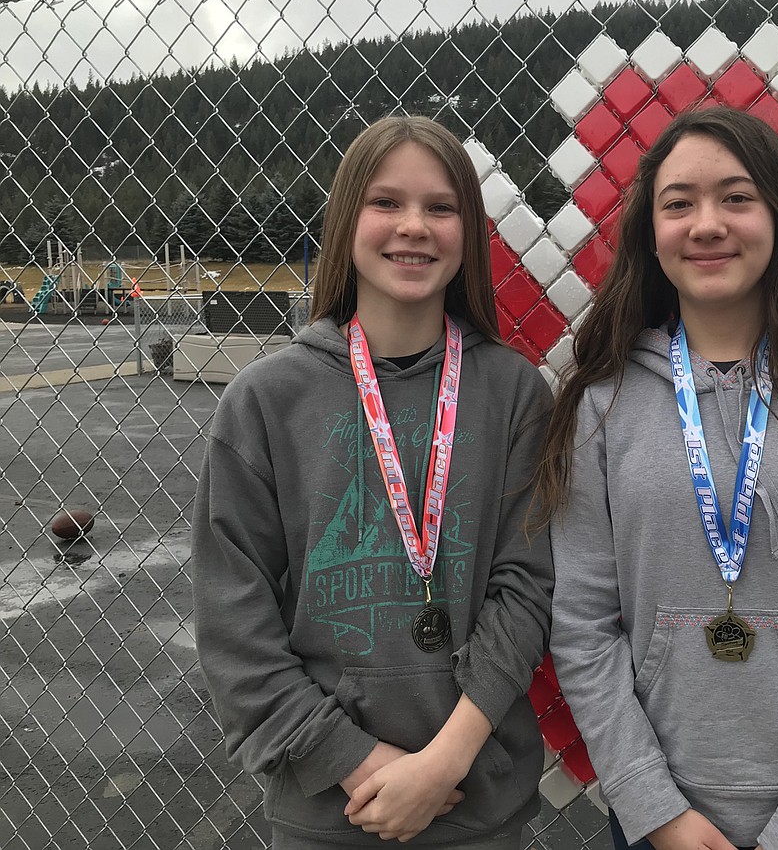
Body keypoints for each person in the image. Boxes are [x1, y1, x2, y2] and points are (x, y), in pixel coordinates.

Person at [536, 106, 778, 850]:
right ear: (652, 234)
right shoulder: (601, 404)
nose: (706, 223)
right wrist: (655, 807)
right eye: (678, 202)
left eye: (736, 197)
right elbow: (583, 627)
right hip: (658, 818)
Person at [192, 115, 554, 849]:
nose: (413, 226)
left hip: (476, 800)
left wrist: (442, 762)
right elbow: (235, 620)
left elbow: (527, 588)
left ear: (469, 230)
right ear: (345, 219)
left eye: (440, 206)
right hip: (331, 809)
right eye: (386, 202)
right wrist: (353, 762)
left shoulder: (515, 393)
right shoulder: (265, 399)